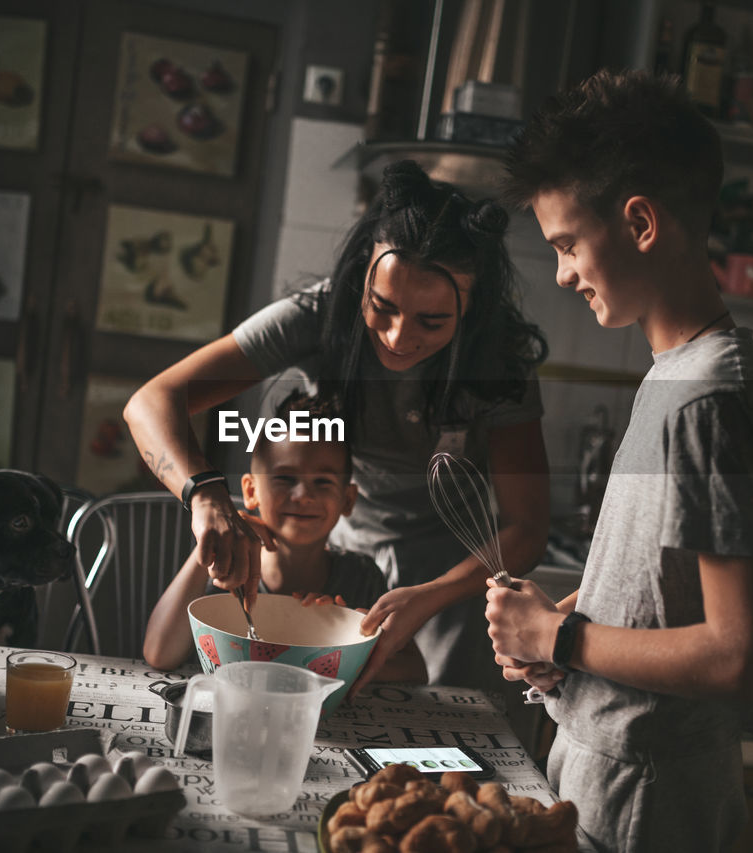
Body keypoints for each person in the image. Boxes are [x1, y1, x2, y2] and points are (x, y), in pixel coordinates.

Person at [484, 70, 753, 851]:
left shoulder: (709, 397)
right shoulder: (676, 375)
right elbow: (664, 601)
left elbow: (741, 656)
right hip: (616, 774)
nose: (561, 273)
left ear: (641, 223)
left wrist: (560, 640)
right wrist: (559, 631)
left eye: (566, 244)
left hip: (648, 800)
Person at [125, 160, 550, 694]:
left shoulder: (500, 359)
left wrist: (432, 594)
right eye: (382, 306)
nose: (398, 337)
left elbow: (527, 526)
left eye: (432, 321)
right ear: (360, 280)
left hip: (454, 565)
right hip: (343, 547)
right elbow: (150, 401)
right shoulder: (317, 316)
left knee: (437, 718)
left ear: (473, 310)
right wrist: (206, 496)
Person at [142, 391, 425, 681]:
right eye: (285, 479)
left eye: (323, 482)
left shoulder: (361, 576)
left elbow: (416, 672)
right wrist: (210, 546)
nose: (303, 495)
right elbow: (159, 653)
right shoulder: (226, 570)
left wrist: (345, 648)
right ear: (251, 491)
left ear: (348, 500)